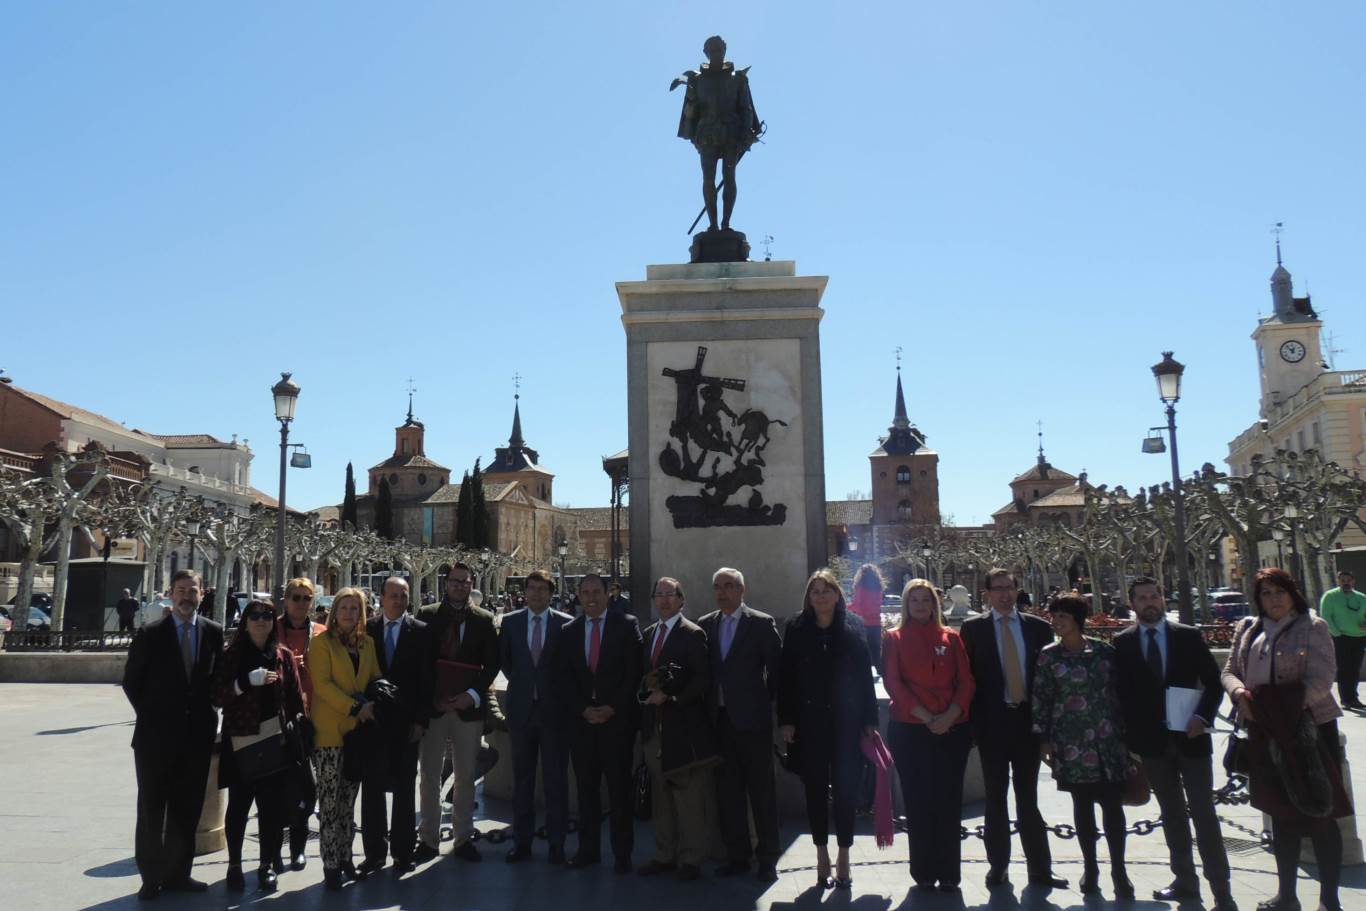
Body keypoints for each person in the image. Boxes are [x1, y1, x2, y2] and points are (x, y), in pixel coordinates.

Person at [1223, 567, 1348, 911]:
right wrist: (1239, 695)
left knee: (1322, 814)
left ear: (1292, 593)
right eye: (1266, 593)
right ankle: (1287, 895)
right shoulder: (1249, 628)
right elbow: (1230, 669)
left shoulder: (1313, 627)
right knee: (1280, 814)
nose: (1273, 599)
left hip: (1310, 731)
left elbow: (1322, 678)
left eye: (1279, 591)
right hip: (1264, 732)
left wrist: (1276, 709)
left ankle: (1329, 901)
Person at [1115, 577, 1236, 910]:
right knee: (1171, 814)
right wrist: (1128, 740)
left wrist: (1203, 718)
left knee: (1204, 815)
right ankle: (1184, 881)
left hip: (1191, 738)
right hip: (1152, 745)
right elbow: (1120, 694)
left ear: (1163, 598)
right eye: (1142, 597)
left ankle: (1221, 889)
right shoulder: (1121, 643)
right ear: (1132, 603)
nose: (1150, 601)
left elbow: (1213, 684)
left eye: (1154, 595)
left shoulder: (1188, 636)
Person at [959, 568, 1066, 889]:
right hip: (992, 725)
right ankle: (998, 868)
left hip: (1027, 724)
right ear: (987, 594)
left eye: (1010, 588)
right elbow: (966, 680)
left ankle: (1040, 870)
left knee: (1028, 799)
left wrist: (1049, 729)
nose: (1005, 594)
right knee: (995, 798)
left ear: (1018, 591)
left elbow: (1049, 682)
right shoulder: (972, 629)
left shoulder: (1038, 629)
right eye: (998, 589)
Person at [122, 569, 224, 900]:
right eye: (180, 590)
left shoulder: (212, 632)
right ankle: (151, 878)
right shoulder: (151, 634)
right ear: (171, 593)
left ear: (201, 594)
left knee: (187, 808)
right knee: (152, 808)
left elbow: (216, 682)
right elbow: (132, 682)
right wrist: (155, 717)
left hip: (196, 739)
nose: (185, 597)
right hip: (155, 739)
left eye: (191, 591)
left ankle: (179, 873)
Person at [777, 569, 878, 890]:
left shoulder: (855, 626)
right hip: (809, 724)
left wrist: (870, 721)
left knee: (846, 790)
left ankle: (844, 854)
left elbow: (865, 677)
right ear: (808, 597)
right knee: (815, 790)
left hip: (847, 724)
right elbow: (786, 678)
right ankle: (821, 854)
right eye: (814, 591)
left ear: (838, 594)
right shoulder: (795, 628)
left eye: (826, 590)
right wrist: (787, 720)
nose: (820, 596)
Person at [1033, 595, 1134, 899]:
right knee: (1082, 807)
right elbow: (1041, 698)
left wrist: (1129, 738)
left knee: (1113, 807)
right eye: (1054, 616)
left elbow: (1121, 693)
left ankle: (1120, 869)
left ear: (1077, 619)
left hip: (1107, 741)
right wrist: (1043, 738)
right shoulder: (1049, 656)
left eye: (1062, 616)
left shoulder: (1104, 653)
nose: (1056, 622)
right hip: (1071, 743)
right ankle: (1090, 868)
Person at [883, 579, 974, 892]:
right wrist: (925, 716)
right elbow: (893, 683)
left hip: (951, 729)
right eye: (914, 600)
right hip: (910, 730)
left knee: (948, 801)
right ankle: (923, 872)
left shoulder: (951, 638)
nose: (920, 605)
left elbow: (966, 682)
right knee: (918, 801)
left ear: (935, 605)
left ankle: (949, 872)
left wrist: (949, 716)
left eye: (926, 600)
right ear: (906, 605)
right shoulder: (893, 638)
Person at [214, 600, 307, 893]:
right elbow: (217, 695)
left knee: (271, 809)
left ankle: (266, 865)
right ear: (245, 621)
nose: (261, 621)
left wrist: (298, 728)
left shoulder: (282, 655)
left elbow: (295, 698)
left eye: (267, 616)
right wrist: (244, 683)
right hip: (241, 741)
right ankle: (234, 865)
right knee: (239, 807)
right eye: (254, 615)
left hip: (274, 741)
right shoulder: (232, 655)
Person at [697, 566, 782, 882]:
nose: (722, 592)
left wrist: (764, 706)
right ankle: (737, 856)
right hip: (719, 723)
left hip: (753, 724)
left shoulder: (760, 624)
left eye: (729, 586)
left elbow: (776, 673)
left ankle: (768, 858)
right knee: (728, 794)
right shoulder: (706, 625)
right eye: (717, 586)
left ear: (742, 590)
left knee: (762, 794)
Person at [414, 562, 501, 862]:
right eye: (455, 581)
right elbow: (421, 663)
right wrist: (432, 699)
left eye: (465, 582)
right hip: (435, 709)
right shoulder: (427, 616)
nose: (460, 586)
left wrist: (471, 695)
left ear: (471, 584)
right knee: (428, 775)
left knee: (466, 776)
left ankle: (463, 839)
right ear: (446, 582)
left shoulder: (485, 620)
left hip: (468, 711)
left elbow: (491, 664)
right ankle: (428, 839)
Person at [557, 572, 643, 873]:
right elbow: (563, 678)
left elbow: (633, 673)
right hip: (582, 725)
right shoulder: (569, 630)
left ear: (608, 594)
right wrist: (583, 709)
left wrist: (612, 708)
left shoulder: (627, 625)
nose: (591, 597)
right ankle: (588, 850)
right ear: (578, 596)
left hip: (616, 723)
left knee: (619, 791)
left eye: (596, 591)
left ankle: (622, 855)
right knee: (586, 790)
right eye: (585, 592)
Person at [636, 576, 718, 882]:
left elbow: (703, 679)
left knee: (689, 797)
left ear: (681, 600)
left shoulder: (692, 633)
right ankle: (664, 854)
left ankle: (691, 859)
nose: (664, 600)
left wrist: (671, 696)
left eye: (671, 595)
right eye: (659, 595)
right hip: (653, 730)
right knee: (661, 797)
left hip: (683, 727)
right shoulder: (648, 634)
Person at [306, 587, 381, 890]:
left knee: (348, 801)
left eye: (355, 608)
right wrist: (355, 708)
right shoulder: (321, 644)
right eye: (345, 607)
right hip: (329, 733)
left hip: (356, 734)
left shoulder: (368, 644)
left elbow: (375, 678)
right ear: (334, 611)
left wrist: (375, 701)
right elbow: (322, 685)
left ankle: (347, 857)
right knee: (329, 803)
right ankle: (330, 864)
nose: (350, 613)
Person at [498, 569, 572, 864]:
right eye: (531, 588)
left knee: (556, 781)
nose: (536, 594)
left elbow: (568, 667)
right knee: (522, 781)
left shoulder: (565, 625)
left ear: (551, 593)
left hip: (554, 714)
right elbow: (506, 662)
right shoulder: (511, 623)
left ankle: (557, 845)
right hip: (521, 712)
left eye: (542, 589)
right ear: (524, 592)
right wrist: (524, 688)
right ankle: (522, 843)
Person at [359, 577, 429, 878]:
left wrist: (420, 721)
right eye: (393, 596)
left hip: (406, 723)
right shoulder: (366, 630)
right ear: (382, 597)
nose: (399, 601)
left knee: (404, 789)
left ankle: (402, 852)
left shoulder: (421, 632)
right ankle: (374, 853)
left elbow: (429, 679)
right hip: (372, 722)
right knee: (371, 788)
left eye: (404, 596)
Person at [670, 35, 762, 232]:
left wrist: (746, 132)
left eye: (719, 50)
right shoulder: (697, 80)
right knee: (708, 179)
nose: (716, 54)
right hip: (707, 133)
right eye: (712, 51)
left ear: (725, 49)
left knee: (729, 176)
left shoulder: (738, 79)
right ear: (706, 53)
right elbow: (690, 115)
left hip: (731, 132)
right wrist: (692, 99)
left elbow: (746, 109)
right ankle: (712, 225)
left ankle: (726, 224)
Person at [275, 577, 327, 872]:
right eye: (296, 597)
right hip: (280, 720)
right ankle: (273, 853)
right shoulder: (272, 628)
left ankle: (297, 848)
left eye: (307, 598)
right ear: (286, 599)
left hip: (313, 720)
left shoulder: (321, 632)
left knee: (306, 790)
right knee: (276, 790)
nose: (301, 603)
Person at [1320, 569, 1366, 710]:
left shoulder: (1361, 597)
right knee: (1344, 669)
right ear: (1338, 581)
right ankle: (1346, 699)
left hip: (1359, 637)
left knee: (1355, 668)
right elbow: (1326, 617)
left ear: (1353, 581)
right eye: (1343, 580)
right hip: (1341, 638)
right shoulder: (1330, 596)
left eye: (1349, 580)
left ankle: (1354, 698)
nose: (1346, 583)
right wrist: (1337, 634)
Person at [848, 563, 886, 671]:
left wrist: (846, 607)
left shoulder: (860, 587)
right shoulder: (878, 587)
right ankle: (881, 672)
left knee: (863, 650)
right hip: (876, 623)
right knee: (876, 650)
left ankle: (865, 673)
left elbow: (857, 604)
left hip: (863, 623)